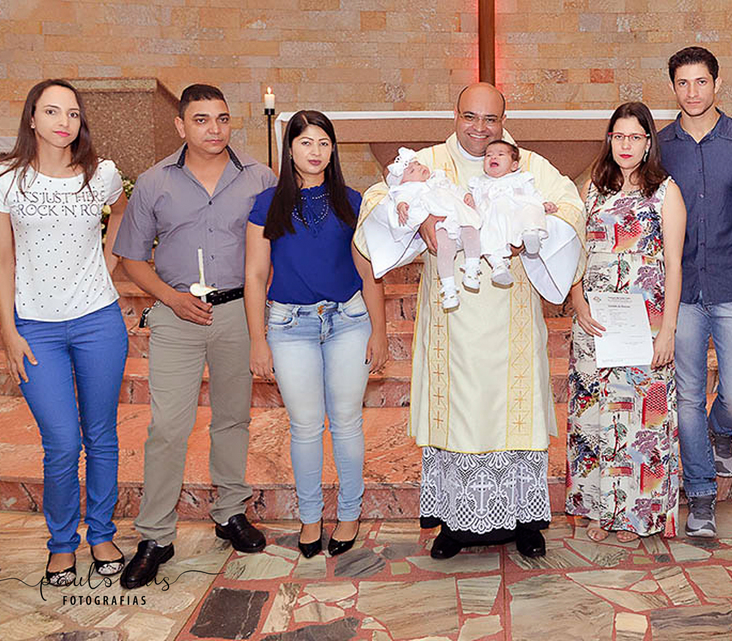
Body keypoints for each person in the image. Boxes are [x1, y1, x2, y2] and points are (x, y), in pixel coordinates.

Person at [352, 83, 584, 559]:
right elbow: (377, 201)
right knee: (458, 414)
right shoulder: (429, 162)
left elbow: (572, 208)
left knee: (514, 415)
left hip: (512, 316)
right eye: (470, 117)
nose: (480, 129)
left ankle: (525, 518)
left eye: (491, 119)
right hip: (451, 319)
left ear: (503, 119)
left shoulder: (528, 164)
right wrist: (418, 222)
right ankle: (455, 524)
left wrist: (531, 230)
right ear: (454, 114)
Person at [113, 84, 277, 589]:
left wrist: (261, 324)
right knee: (168, 427)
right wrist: (170, 296)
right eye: (201, 120)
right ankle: (156, 535)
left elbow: (276, 251)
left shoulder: (259, 178)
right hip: (176, 313)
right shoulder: (156, 182)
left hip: (237, 313)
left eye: (222, 119)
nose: (214, 129)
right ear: (181, 125)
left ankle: (230, 512)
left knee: (232, 419)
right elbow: (130, 258)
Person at [0, 79, 129, 586]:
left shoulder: (100, 174)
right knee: (63, 441)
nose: (64, 121)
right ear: (33, 119)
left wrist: (108, 264)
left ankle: (102, 532)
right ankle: (62, 542)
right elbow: (0, 258)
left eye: (72, 112)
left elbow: (123, 215)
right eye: (52, 111)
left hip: (98, 321)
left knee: (101, 435)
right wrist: (8, 330)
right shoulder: (4, 179)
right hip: (35, 329)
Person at [244, 110, 388, 558]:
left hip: (348, 320)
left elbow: (371, 273)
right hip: (289, 326)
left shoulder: (352, 201)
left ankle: (349, 514)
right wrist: (257, 339)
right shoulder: (267, 204)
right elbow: (254, 275)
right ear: (290, 149)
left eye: (323, 143)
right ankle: (310, 518)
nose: (315, 151)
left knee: (346, 423)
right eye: (306, 143)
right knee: (305, 426)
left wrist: (380, 331)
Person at [657, 46, 732, 538]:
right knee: (686, 398)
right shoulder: (660, 147)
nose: (692, 92)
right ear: (673, 88)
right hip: (680, 294)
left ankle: (720, 431)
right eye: (683, 83)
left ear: (717, 84)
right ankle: (701, 497)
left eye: (701, 82)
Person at [566, 101, 687, 542]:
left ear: (649, 142)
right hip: (595, 327)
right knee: (597, 420)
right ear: (609, 139)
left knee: (641, 421)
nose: (626, 145)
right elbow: (571, 253)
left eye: (635, 137)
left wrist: (668, 331)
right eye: (619, 136)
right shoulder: (591, 190)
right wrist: (577, 300)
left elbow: (673, 265)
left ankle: (635, 515)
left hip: (645, 326)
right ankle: (600, 511)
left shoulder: (665, 191)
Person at [373, 148, 485, 308]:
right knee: (445, 249)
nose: (419, 168)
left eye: (418, 164)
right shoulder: (409, 189)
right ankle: (449, 288)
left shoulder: (438, 179)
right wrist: (402, 205)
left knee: (472, 230)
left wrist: (465, 196)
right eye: (412, 170)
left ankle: (472, 269)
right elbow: (400, 196)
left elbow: (455, 189)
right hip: (441, 224)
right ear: (403, 182)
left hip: (458, 216)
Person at [468, 140, 555, 264]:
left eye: (500, 154)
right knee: (486, 234)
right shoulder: (479, 183)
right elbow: (475, 203)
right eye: (488, 155)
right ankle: (497, 264)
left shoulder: (520, 179)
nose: (493, 157)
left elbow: (533, 194)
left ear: (514, 165)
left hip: (518, 213)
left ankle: (531, 234)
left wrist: (544, 203)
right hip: (494, 218)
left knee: (532, 207)